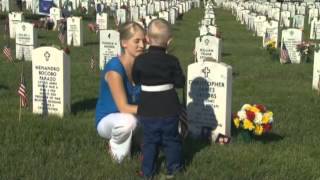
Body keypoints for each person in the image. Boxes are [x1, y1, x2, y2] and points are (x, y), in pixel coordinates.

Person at [132, 18, 185, 179]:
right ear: (169, 41)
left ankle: (148, 171)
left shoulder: (140, 60)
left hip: (147, 109)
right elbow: (179, 82)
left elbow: (136, 79)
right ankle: (174, 169)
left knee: (149, 141)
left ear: (147, 38)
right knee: (171, 140)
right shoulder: (172, 61)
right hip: (169, 108)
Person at [95, 22, 145, 163]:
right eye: (137, 41)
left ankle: (135, 141)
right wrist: (151, 109)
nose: (142, 45)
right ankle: (117, 154)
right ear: (124, 43)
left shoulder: (142, 68)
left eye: (144, 41)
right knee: (128, 123)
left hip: (136, 115)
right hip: (109, 119)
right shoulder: (114, 69)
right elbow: (123, 108)